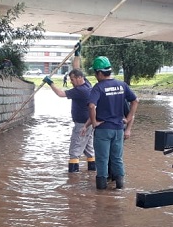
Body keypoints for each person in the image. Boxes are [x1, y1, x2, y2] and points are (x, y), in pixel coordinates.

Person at [84, 56, 138, 190]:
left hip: (103, 129)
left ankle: (101, 192)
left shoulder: (98, 87)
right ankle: (120, 187)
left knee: (102, 160)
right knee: (117, 158)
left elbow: (91, 106)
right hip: (119, 129)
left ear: (99, 73)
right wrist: (128, 118)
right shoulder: (122, 85)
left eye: (95, 73)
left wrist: (95, 123)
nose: (95, 76)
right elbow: (135, 101)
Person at [42, 42, 95, 173]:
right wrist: (77, 54)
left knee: (74, 151)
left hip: (82, 124)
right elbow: (76, 68)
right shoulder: (86, 83)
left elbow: (60, 94)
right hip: (89, 124)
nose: (70, 81)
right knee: (89, 150)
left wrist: (50, 83)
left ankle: (73, 179)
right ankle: (92, 173)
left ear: (79, 78)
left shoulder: (80, 91)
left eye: (72, 79)